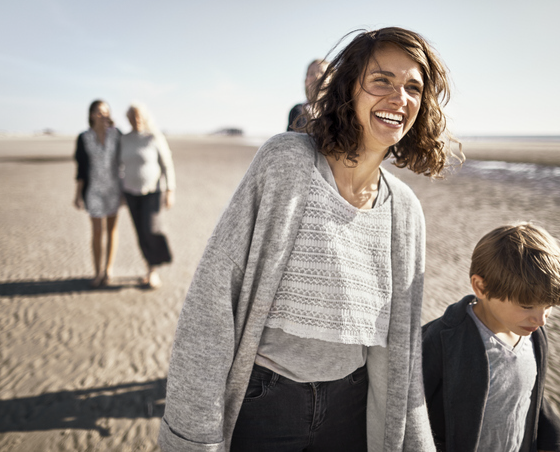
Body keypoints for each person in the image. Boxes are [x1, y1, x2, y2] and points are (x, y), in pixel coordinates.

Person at [159, 27, 461, 452]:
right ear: (348, 88)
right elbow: (212, 301)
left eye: (413, 87)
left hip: (353, 407)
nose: (400, 98)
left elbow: (404, 349)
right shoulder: (287, 163)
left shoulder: (405, 211)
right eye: (382, 81)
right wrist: (193, 438)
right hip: (265, 401)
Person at [421, 222, 560, 452]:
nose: (541, 320)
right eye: (527, 305)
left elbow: (531, 395)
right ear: (481, 287)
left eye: (549, 305)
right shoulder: (442, 340)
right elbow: (408, 408)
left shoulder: (533, 335)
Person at [120, 103, 175, 289]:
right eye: (132, 117)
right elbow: (118, 165)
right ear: (128, 119)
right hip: (130, 192)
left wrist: (170, 190)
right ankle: (149, 269)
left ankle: (155, 267)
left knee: (151, 229)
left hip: (153, 191)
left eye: (139, 116)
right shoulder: (124, 139)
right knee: (140, 233)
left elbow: (167, 164)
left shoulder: (154, 137)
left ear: (144, 117)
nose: (136, 120)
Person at [74, 100, 122, 288]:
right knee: (96, 231)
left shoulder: (116, 135)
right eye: (99, 112)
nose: (103, 115)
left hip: (113, 190)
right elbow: (81, 169)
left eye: (106, 112)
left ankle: (108, 270)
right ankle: (97, 272)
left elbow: (124, 160)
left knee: (112, 230)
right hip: (93, 190)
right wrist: (78, 194)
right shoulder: (83, 137)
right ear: (91, 114)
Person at [286, 58, 329, 132]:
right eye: (312, 73)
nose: (317, 76)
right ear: (306, 81)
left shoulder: (338, 111)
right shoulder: (297, 110)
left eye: (322, 73)